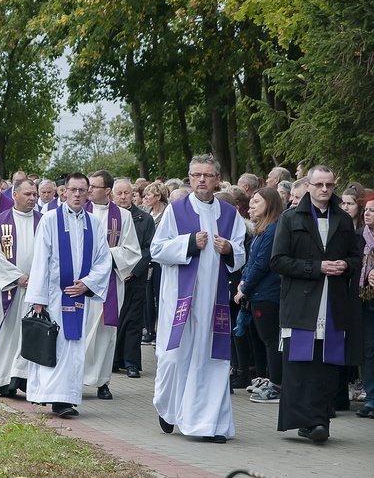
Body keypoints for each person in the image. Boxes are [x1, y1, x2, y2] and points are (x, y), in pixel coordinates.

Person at [151, 154, 247, 443]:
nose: (201, 180)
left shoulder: (230, 214)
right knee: (173, 359)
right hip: (180, 300)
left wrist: (230, 249)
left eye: (207, 175)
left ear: (217, 179)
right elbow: (156, 250)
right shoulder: (175, 210)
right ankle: (168, 409)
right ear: (189, 178)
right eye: (196, 175)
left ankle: (210, 424)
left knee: (212, 360)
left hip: (214, 303)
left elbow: (241, 251)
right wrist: (189, 243)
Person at [271, 165, 361, 443]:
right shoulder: (290, 218)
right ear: (308, 186)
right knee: (300, 365)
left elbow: (355, 258)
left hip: (333, 303)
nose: (325, 190)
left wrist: (345, 264)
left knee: (327, 367)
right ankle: (305, 421)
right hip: (300, 303)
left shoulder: (344, 220)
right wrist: (317, 267)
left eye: (330, 185)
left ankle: (320, 421)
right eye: (319, 184)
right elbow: (278, 261)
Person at [25, 173, 112, 418]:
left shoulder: (94, 223)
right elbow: (40, 260)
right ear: (64, 192)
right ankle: (51, 395)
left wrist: (87, 284)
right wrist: (39, 297)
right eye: (72, 190)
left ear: (88, 193)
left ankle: (65, 399)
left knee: (73, 347)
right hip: (53, 296)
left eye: (81, 190)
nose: (76, 194)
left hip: (79, 297)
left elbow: (104, 260)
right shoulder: (50, 219)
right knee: (55, 344)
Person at [0, 179, 41, 396]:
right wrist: (17, 278)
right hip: (6, 288)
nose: (32, 198)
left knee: (26, 335)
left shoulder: (43, 221)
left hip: (34, 289)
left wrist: (37, 280)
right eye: (27, 194)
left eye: (35, 194)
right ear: (14, 194)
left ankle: (22, 379)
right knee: (3, 333)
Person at [83, 170, 141, 400]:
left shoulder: (123, 217)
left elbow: (132, 251)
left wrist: (104, 256)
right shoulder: (79, 212)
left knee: (105, 334)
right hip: (81, 283)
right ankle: (75, 378)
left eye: (94, 187)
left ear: (107, 191)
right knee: (80, 331)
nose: (88, 191)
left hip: (109, 284)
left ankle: (102, 382)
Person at [233, 188, 284, 403]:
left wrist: (244, 288)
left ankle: (277, 385)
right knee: (264, 340)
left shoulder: (272, 231)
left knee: (271, 340)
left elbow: (262, 264)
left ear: (270, 205)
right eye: (251, 201)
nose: (251, 206)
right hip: (258, 292)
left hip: (267, 294)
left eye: (256, 202)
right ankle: (268, 378)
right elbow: (252, 262)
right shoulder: (262, 230)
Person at [112, 178, 155, 377]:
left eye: (127, 193)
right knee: (114, 319)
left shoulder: (144, 219)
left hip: (135, 277)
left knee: (133, 320)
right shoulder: (109, 218)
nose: (123, 197)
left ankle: (131, 361)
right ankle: (113, 359)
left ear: (133, 195)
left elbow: (148, 249)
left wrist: (132, 270)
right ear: (112, 196)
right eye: (119, 193)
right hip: (112, 277)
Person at [142, 182, 169, 345]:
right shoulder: (146, 212)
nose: (145, 198)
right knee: (147, 296)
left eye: (149, 195)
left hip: (161, 262)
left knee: (160, 295)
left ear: (158, 196)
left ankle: (160, 329)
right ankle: (149, 329)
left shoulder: (168, 213)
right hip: (147, 260)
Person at [357, 196, 374, 419]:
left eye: (373, 210)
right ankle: (371, 398)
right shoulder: (358, 237)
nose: (368, 213)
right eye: (367, 210)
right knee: (369, 350)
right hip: (367, 301)